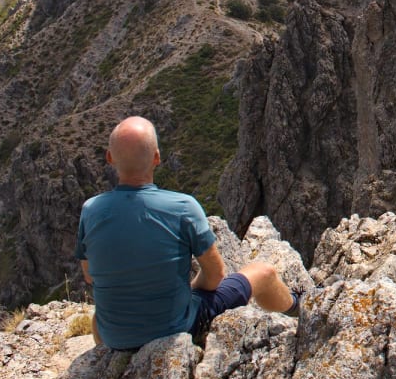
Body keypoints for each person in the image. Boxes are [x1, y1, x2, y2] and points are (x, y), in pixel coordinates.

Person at [76, 116, 299, 350]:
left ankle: (109, 357)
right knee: (264, 272)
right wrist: (187, 291)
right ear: (157, 158)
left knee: (98, 314)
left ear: (109, 158)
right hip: (176, 329)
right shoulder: (183, 208)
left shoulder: (90, 210)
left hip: (113, 336)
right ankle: (297, 308)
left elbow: (90, 275)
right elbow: (215, 277)